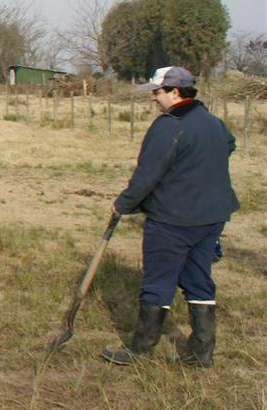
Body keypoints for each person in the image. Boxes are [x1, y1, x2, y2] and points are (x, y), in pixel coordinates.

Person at [101, 66, 239, 367]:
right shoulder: (213, 122)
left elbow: (147, 175)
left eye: (157, 91)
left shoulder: (167, 126)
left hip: (173, 219)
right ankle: (201, 354)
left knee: (158, 281)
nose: (153, 97)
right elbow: (230, 144)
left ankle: (139, 351)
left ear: (176, 92)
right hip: (212, 217)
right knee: (198, 278)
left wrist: (123, 204)